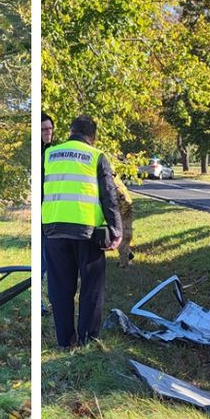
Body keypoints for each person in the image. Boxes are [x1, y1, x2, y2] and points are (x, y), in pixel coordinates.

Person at [41, 115, 123, 348]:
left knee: (60, 288)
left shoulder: (49, 154)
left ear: (70, 131)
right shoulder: (96, 156)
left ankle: (66, 341)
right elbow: (109, 195)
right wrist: (116, 230)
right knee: (91, 287)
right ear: (93, 137)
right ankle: (87, 338)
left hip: (54, 230)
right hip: (87, 233)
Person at [40, 111, 55, 315]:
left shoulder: (54, 152)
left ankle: (51, 300)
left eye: (50, 129)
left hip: (53, 214)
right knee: (42, 261)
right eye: (43, 130)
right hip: (42, 215)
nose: (48, 133)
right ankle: (40, 303)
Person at [115, 173, 134, 268]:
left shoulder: (113, 182)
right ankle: (127, 254)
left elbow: (125, 201)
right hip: (123, 210)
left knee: (123, 237)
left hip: (123, 211)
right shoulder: (115, 179)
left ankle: (124, 263)